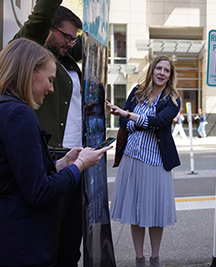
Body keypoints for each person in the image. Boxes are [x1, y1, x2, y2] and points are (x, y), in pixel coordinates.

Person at [0, 38, 111, 267]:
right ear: (29, 72)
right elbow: (39, 192)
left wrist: (62, 164)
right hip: (21, 245)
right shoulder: (20, 114)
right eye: (50, 80)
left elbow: (17, 175)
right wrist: (78, 166)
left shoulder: (5, 107)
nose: (51, 88)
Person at [12, 2, 85, 266]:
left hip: (75, 161)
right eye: (66, 36)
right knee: (49, 246)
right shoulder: (33, 51)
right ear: (49, 29)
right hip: (51, 162)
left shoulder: (69, 61)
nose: (70, 43)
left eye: (73, 39)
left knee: (69, 246)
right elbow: (41, 16)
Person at [105, 55, 180, 267]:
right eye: (159, 68)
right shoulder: (137, 92)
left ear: (170, 75)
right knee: (135, 212)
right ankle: (139, 258)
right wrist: (132, 119)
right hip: (131, 158)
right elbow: (121, 120)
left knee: (155, 213)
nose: (162, 73)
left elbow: (158, 122)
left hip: (156, 161)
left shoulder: (173, 99)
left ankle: (154, 257)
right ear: (152, 70)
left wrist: (130, 117)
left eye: (166, 70)